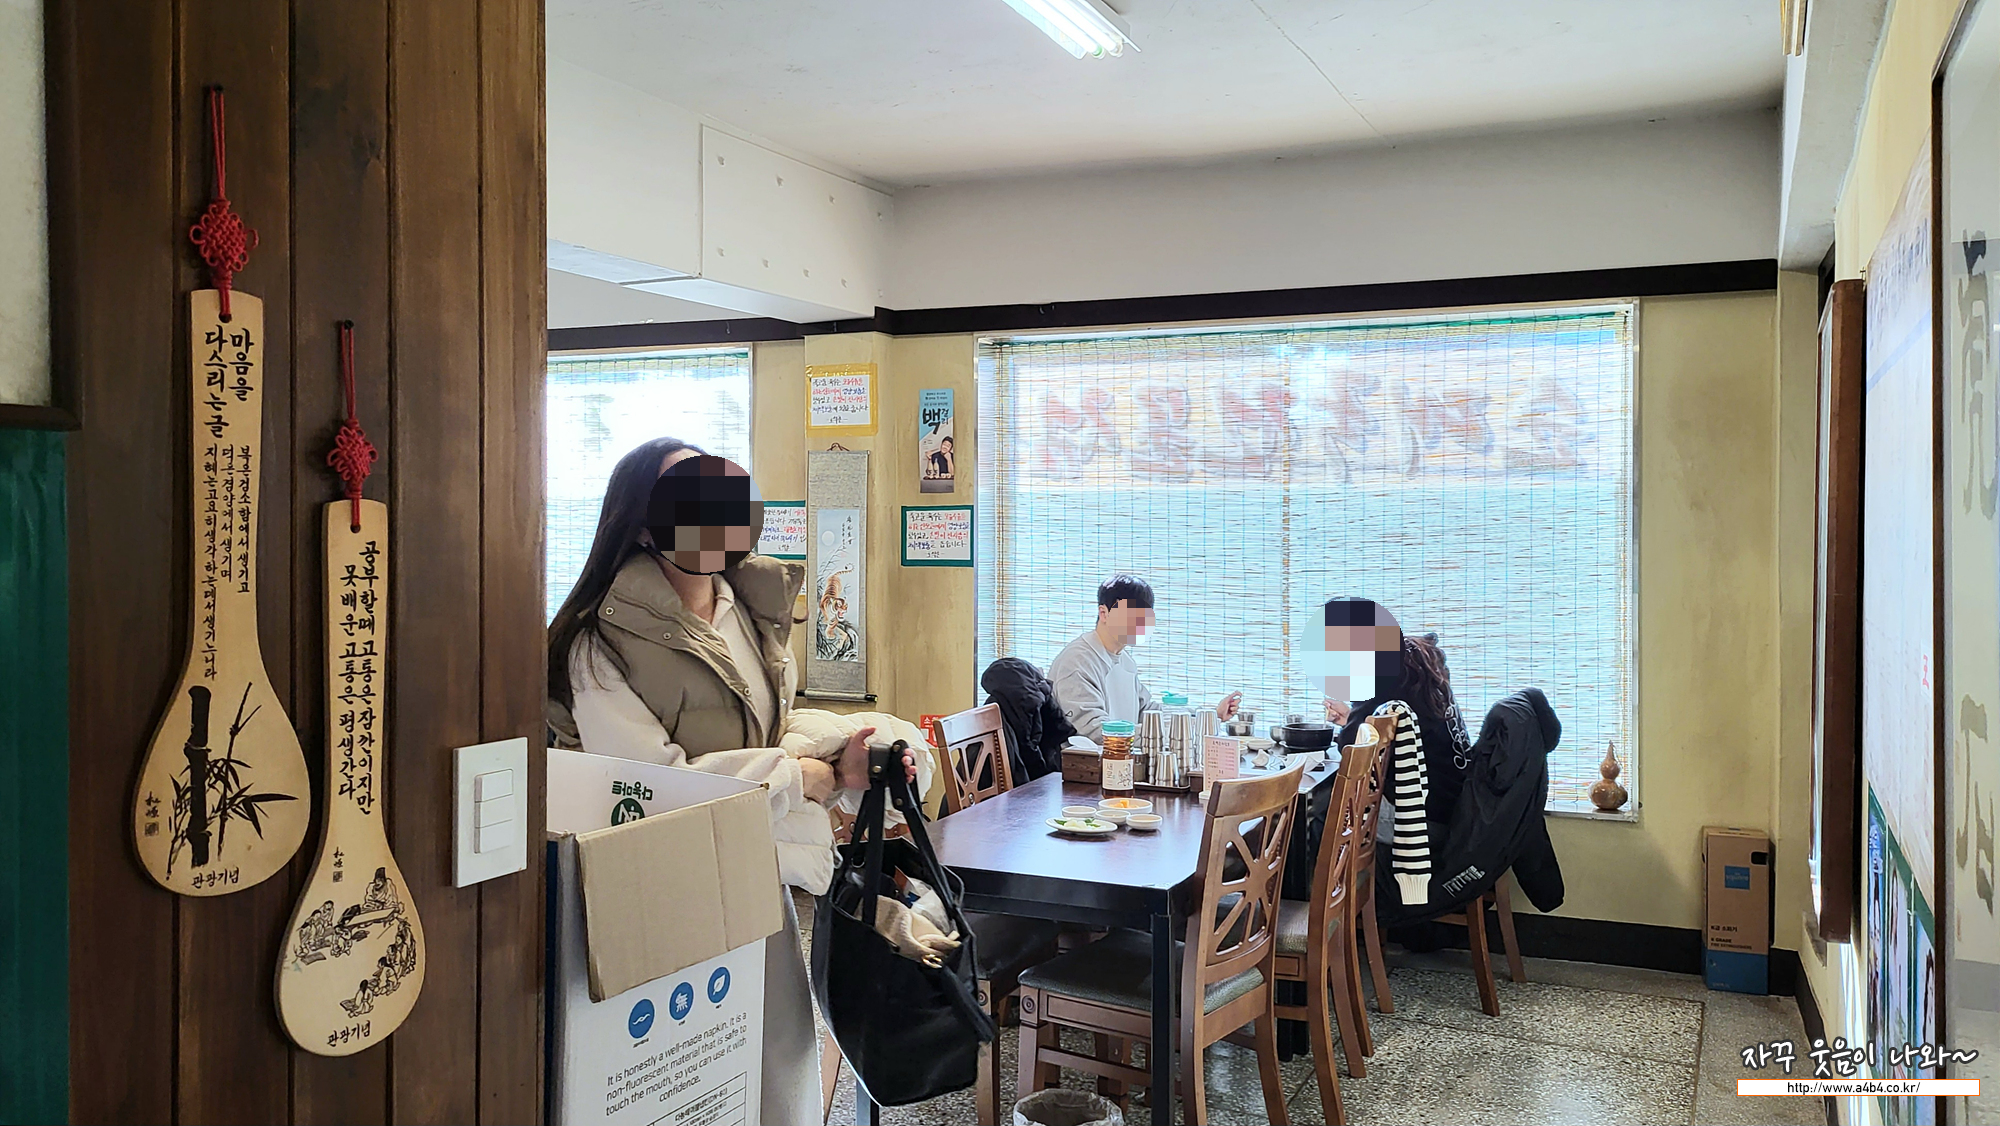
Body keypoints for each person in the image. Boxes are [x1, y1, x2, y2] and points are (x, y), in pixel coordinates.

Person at [545, 436, 913, 1125]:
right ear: (642, 522)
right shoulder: (598, 641)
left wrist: (840, 762)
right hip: (654, 885)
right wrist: (797, 778)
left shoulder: (747, 607)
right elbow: (650, 783)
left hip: (750, 864)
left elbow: (766, 729)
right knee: (674, 1077)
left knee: (773, 1058)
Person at [1047, 574, 1240, 742]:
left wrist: (1208, 716)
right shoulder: (1077, 662)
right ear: (1104, 613)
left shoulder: (1124, 659)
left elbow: (1146, 710)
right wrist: (1166, 733)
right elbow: (1095, 732)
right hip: (1086, 767)